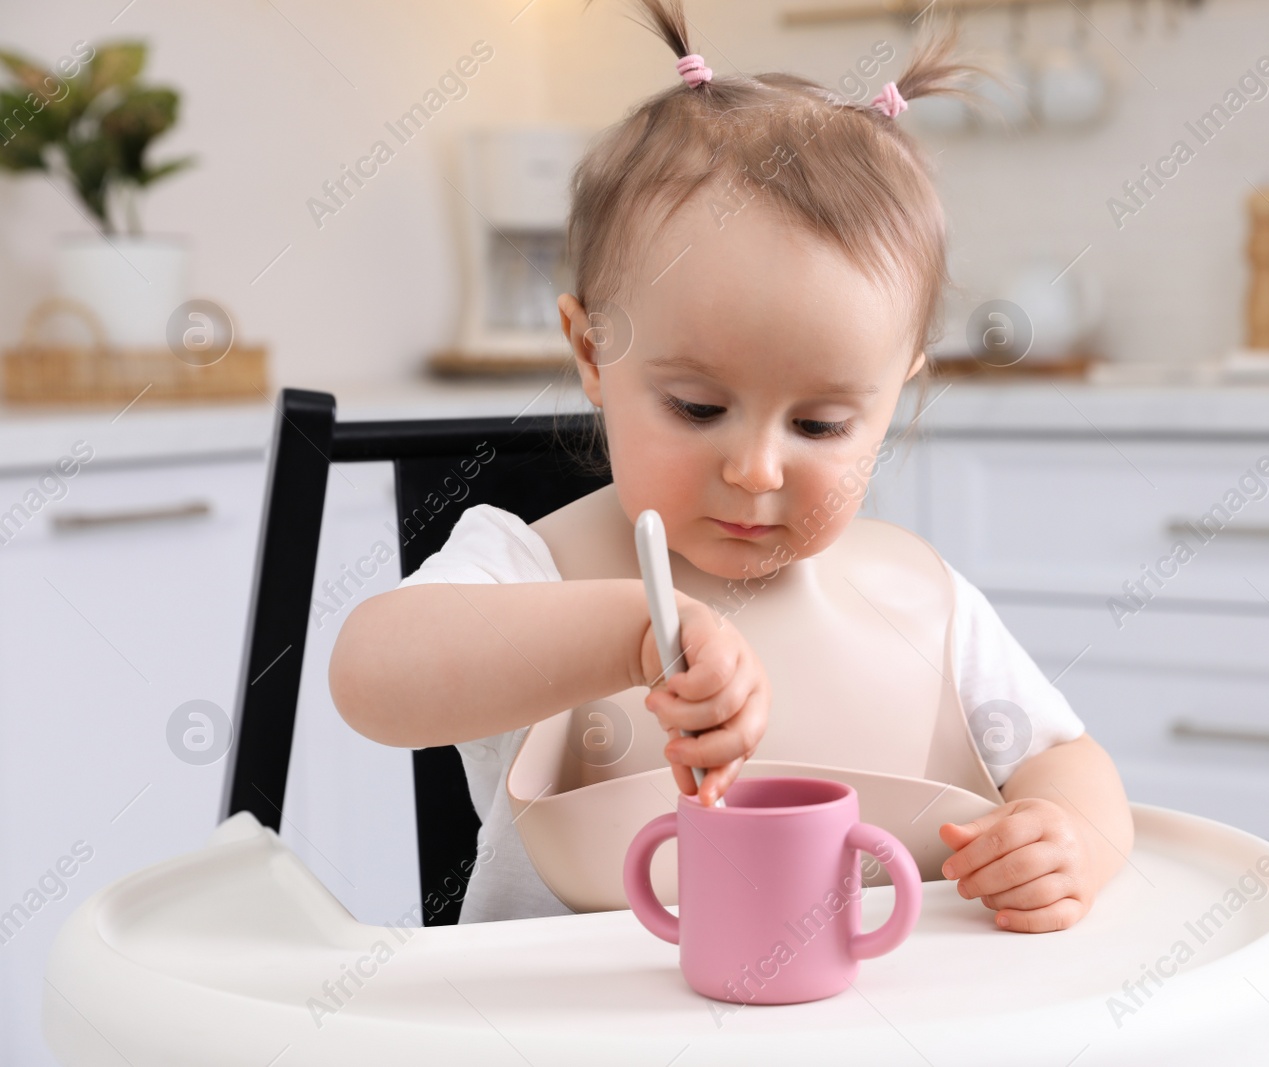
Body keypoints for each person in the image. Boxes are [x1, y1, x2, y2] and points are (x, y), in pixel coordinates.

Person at [330, 0, 1132, 933]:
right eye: (699, 408)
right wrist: (625, 633)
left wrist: (1067, 836)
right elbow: (369, 675)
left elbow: (1066, 758)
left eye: (823, 423)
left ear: (899, 390)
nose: (756, 469)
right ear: (590, 351)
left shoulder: (927, 606)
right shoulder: (526, 570)